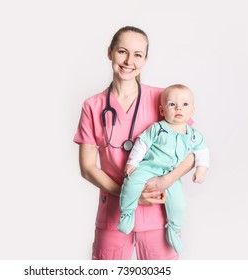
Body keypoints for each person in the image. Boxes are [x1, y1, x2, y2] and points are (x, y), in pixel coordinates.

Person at [73, 26, 195, 260]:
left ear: (145, 60)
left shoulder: (163, 98)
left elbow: (192, 151)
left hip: (159, 215)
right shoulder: (93, 106)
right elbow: (88, 168)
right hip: (113, 215)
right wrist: (129, 195)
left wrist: (165, 180)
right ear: (110, 53)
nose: (129, 61)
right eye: (122, 52)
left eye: (138, 55)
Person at [117, 84, 210, 254]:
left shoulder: (194, 135)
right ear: (162, 110)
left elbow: (202, 152)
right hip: (148, 168)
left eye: (185, 105)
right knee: (131, 183)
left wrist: (201, 170)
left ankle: (174, 229)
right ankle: (127, 213)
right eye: (172, 104)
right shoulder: (157, 128)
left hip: (171, 175)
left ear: (192, 111)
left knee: (178, 204)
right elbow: (142, 144)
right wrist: (133, 163)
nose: (178, 108)